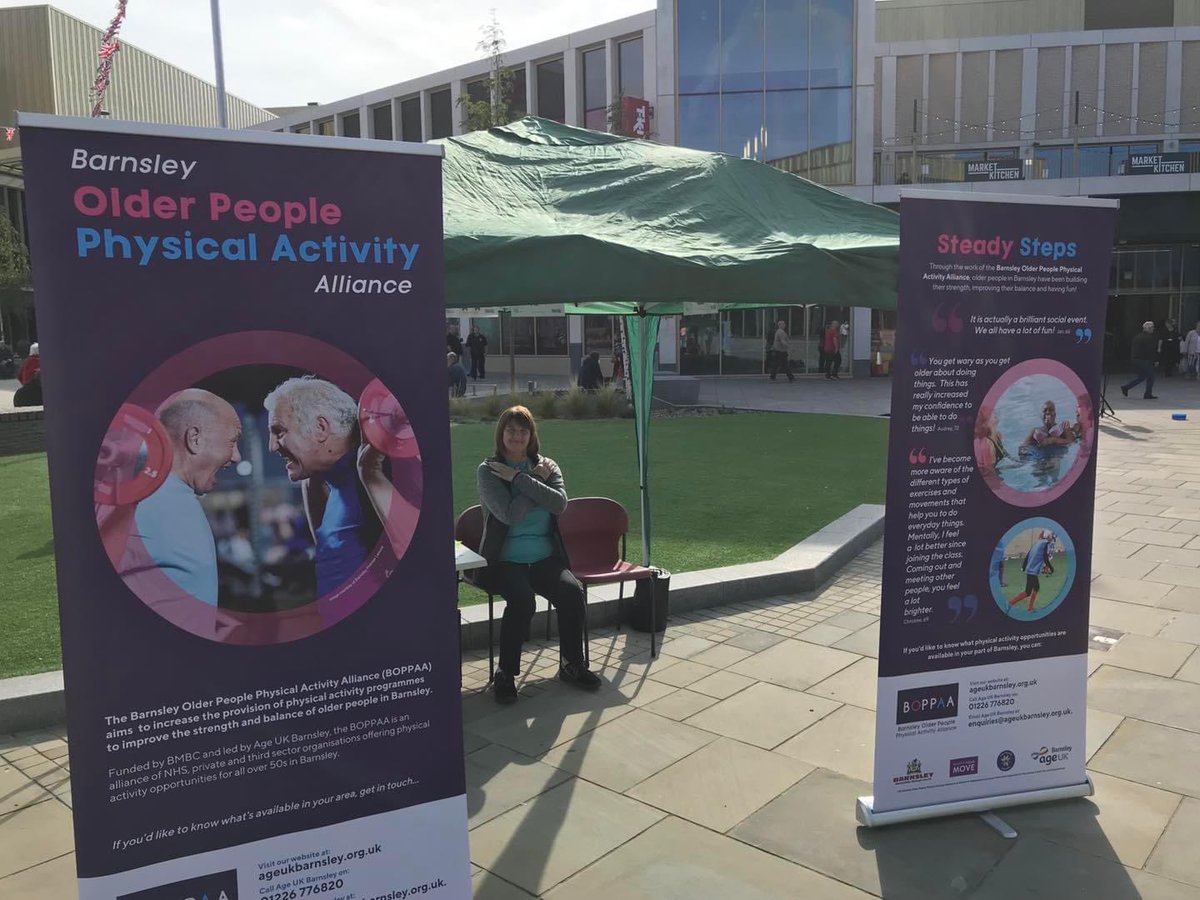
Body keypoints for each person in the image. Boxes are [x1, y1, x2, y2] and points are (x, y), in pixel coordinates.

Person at [476, 406, 601, 703]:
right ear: (501, 434)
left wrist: (520, 479)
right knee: (522, 601)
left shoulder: (548, 465)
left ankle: (572, 664)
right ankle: (505, 674)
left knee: (572, 593)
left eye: (523, 430)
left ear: (532, 435)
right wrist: (534, 482)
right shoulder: (489, 471)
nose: (517, 436)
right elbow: (509, 515)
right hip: (506, 560)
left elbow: (559, 504)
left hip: (545, 558)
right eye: (511, 430)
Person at [265, 376, 388, 597]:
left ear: (321, 428)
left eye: (279, 432)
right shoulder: (334, 482)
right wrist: (310, 468)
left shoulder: (374, 476)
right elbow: (327, 551)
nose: (272, 446)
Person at [123, 389, 243, 605]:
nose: (236, 456)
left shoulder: (160, 497)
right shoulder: (157, 504)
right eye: (232, 442)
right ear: (194, 439)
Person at [1008, 531, 1054, 614]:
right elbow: (1045, 558)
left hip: (1030, 570)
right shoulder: (1045, 543)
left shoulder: (1037, 543)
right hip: (1032, 571)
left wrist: (1024, 567)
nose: (1051, 537)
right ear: (1047, 536)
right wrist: (1051, 568)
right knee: (1029, 591)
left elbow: (1028, 555)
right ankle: (1012, 604)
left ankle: (1028, 607)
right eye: (1050, 536)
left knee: (1032, 589)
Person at [1121, 321, 1160, 400]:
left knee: (1142, 377)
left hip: (1136, 359)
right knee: (1151, 376)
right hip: (1144, 360)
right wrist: (1155, 360)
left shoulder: (1138, 336)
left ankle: (1126, 387)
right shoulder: (1148, 338)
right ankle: (1148, 394)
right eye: (1152, 327)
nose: (1153, 329)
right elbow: (1150, 350)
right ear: (1148, 328)